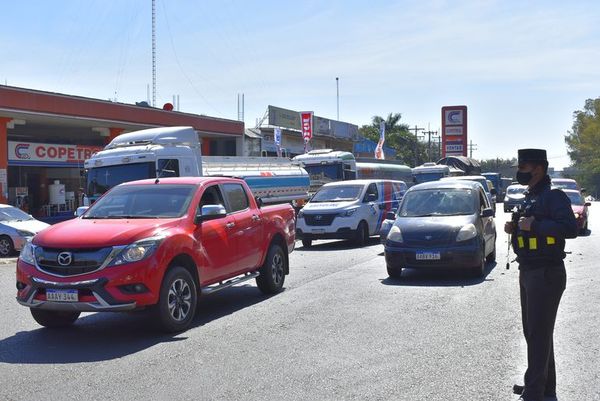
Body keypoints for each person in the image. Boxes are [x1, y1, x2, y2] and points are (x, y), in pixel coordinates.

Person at [504, 149, 578, 401]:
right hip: (528, 269)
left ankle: (534, 391)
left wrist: (534, 225)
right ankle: (544, 386)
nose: (520, 171)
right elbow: (528, 228)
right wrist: (515, 227)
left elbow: (570, 228)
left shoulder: (553, 196)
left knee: (537, 333)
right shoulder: (531, 196)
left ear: (539, 168)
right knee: (536, 332)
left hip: (546, 272)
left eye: (523, 167)